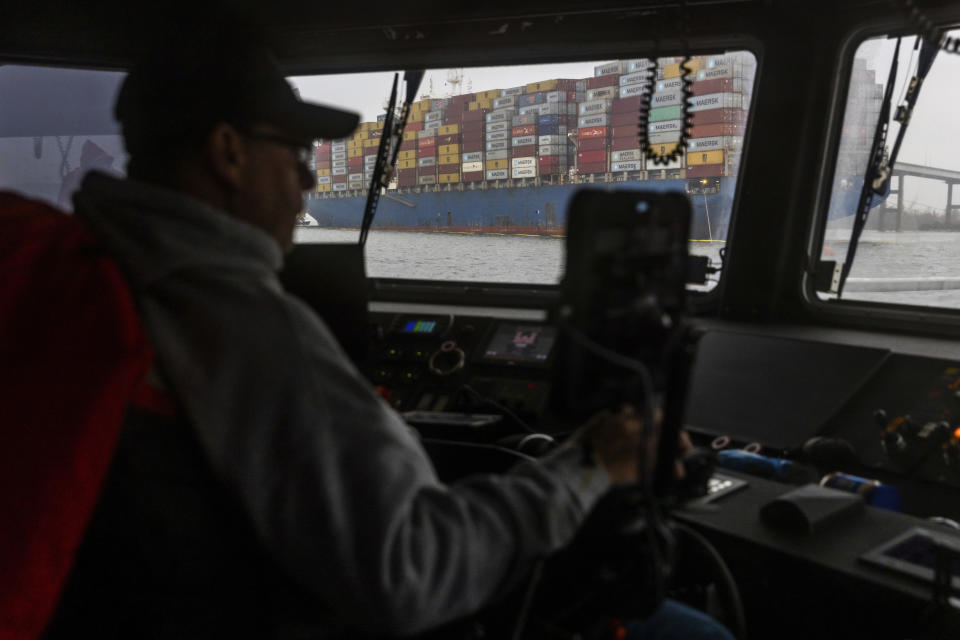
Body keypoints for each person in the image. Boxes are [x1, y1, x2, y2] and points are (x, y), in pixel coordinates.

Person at [43, 29, 733, 640]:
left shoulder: (76, 279)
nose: (310, 179)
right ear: (228, 153)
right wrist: (589, 466)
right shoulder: (246, 326)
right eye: (296, 152)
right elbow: (411, 572)